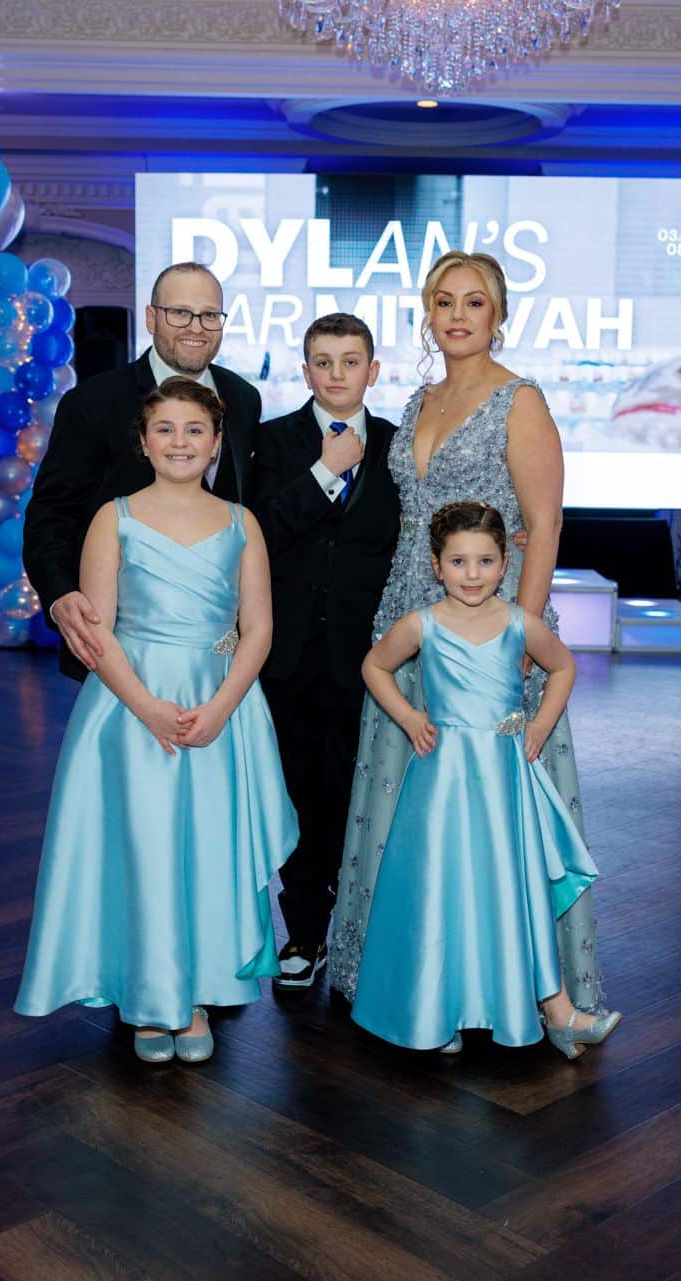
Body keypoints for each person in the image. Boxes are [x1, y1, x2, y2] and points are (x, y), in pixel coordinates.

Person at [328, 251, 615, 1026]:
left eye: (475, 302)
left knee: (496, 813)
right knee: (407, 799)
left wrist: (521, 633)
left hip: (490, 627)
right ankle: (406, 978)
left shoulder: (520, 399)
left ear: (499, 314)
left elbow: (546, 523)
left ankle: (508, 985)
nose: (458, 315)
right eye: (444, 301)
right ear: (428, 312)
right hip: (412, 613)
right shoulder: (418, 398)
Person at [14, 377, 296, 1063]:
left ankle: (195, 993)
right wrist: (146, 708)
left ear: (216, 442)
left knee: (204, 850)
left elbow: (257, 629)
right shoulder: (113, 517)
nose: (180, 442)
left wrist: (223, 706)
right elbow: (97, 631)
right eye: (165, 429)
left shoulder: (241, 523)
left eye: (194, 430)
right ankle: (147, 997)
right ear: (142, 441)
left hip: (216, 705)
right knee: (142, 849)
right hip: (129, 707)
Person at [352, 502, 617, 1055]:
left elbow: (563, 667)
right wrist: (409, 716)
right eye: (458, 562)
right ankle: (439, 1006)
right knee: (443, 888)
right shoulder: (421, 624)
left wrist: (540, 726)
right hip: (443, 780)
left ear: (503, 565)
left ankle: (559, 1011)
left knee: (510, 887)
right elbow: (374, 666)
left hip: (502, 780)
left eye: (485, 561)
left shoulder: (520, 623)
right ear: (435, 565)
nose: (472, 574)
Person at [247, 313, 400, 990]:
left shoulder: (402, 446)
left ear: (373, 368)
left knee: (365, 794)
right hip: (291, 655)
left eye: (350, 360)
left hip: (374, 654)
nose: (336, 374)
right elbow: (255, 532)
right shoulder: (270, 443)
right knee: (302, 792)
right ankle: (304, 931)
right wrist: (321, 474)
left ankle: (362, 933)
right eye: (322, 361)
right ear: (305, 370)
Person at [23, 262, 263, 682]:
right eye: (179, 313)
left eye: (209, 315)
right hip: (116, 643)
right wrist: (59, 595)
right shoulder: (92, 402)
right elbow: (51, 514)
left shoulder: (243, 399)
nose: (196, 327)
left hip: (218, 652)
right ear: (152, 318)